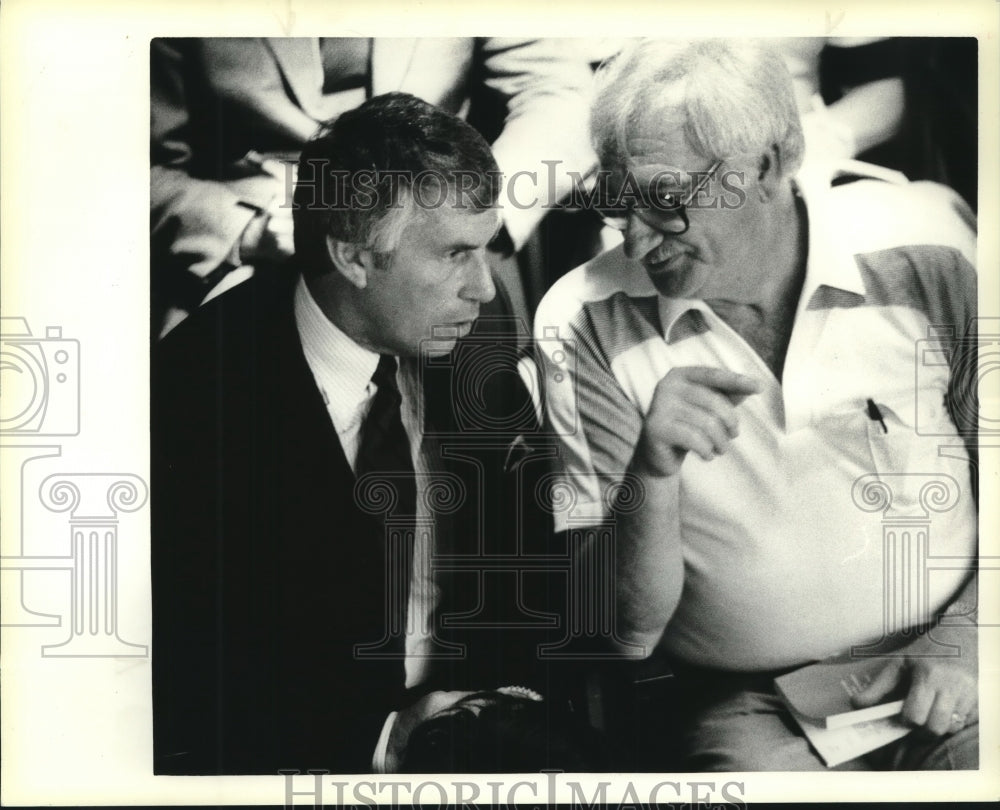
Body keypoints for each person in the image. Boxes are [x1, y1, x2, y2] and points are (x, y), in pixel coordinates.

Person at [534, 39, 979, 771]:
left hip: (952, 659)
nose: (639, 240)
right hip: (746, 705)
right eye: (619, 203)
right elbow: (620, 632)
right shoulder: (582, 319)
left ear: (769, 164)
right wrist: (651, 473)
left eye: (669, 203)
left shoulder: (928, 246)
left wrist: (968, 636)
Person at [151, 92, 547, 774]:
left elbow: (524, 568)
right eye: (455, 254)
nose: (483, 286)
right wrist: (381, 739)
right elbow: (194, 683)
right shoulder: (195, 399)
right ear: (354, 256)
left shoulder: (477, 337)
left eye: (485, 250)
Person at [150, 37, 597, 336]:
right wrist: (247, 232)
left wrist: (466, 211)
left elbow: (559, 95)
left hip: (443, 206)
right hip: (254, 241)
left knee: (477, 409)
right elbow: (128, 167)